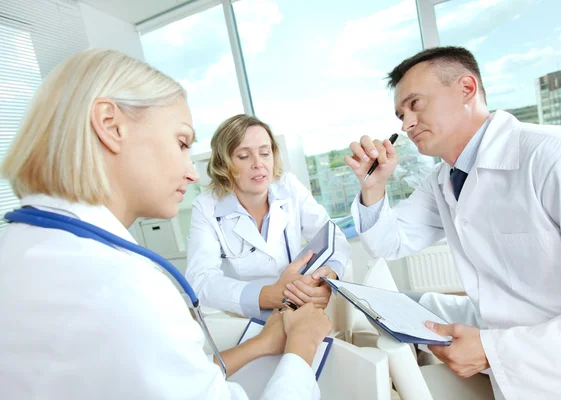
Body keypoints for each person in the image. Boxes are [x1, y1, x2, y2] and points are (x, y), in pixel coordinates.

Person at [0, 49, 331, 399]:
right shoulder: (125, 287)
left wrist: (270, 337)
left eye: (265, 153)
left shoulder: (23, 249)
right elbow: (201, 283)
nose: (190, 172)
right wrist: (300, 350)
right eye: (181, 142)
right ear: (111, 126)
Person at [344, 46, 561, 400]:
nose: (406, 124)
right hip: (516, 377)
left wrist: (494, 350)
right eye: (400, 114)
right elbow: (390, 243)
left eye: (415, 104)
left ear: (467, 89)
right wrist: (374, 186)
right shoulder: (443, 180)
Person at [186, 114, 351, 320]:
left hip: (297, 310)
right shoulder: (206, 206)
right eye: (244, 156)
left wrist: (329, 276)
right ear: (224, 164)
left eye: (264, 153)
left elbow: (333, 237)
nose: (258, 164)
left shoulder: (288, 187)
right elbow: (201, 280)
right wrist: (270, 295)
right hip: (243, 319)